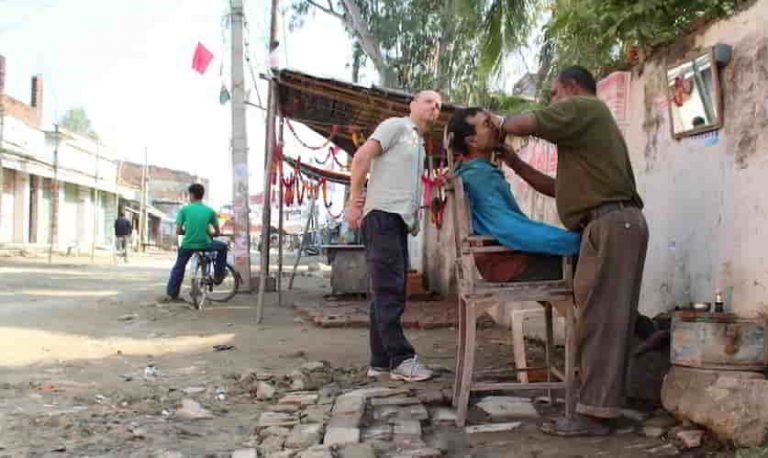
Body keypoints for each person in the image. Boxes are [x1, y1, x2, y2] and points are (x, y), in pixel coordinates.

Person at [495, 66, 649, 436]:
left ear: (571, 87)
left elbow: (524, 123)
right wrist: (513, 161)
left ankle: (596, 415)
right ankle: (603, 404)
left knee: (601, 322)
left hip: (612, 223)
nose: (552, 101)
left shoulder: (586, 106)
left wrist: (495, 122)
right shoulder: (586, 133)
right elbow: (555, 188)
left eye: (554, 93)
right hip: (607, 224)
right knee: (599, 319)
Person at [345, 90, 442, 382]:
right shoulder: (396, 126)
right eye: (428, 101)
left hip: (397, 220)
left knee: (387, 290)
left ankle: (381, 362)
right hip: (383, 215)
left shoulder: (418, 143)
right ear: (412, 104)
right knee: (390, 290)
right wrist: (354, 200)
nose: (435, 107)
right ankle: (401, 359)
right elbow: (361, 157)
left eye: (439, 105)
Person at [446, 107, 581, 282]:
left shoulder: (475, 172)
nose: (496, 126)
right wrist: (572, 241)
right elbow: (509, 228)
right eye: (487, 124)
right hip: (510, 263)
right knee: (591, 263)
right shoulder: (480, 177)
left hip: (506, 259)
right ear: (472, 141)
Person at [162, 183, 228, 302]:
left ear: (191, 195)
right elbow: (217, 232)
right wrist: (211, 234)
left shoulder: (184, 210)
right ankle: (218, 275)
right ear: (202, 195)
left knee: (179, 267)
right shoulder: (210, 211)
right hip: (205, 244)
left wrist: (187, 232)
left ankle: (172, 294)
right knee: (222, 247)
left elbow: (178, 231)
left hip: (188, 244)